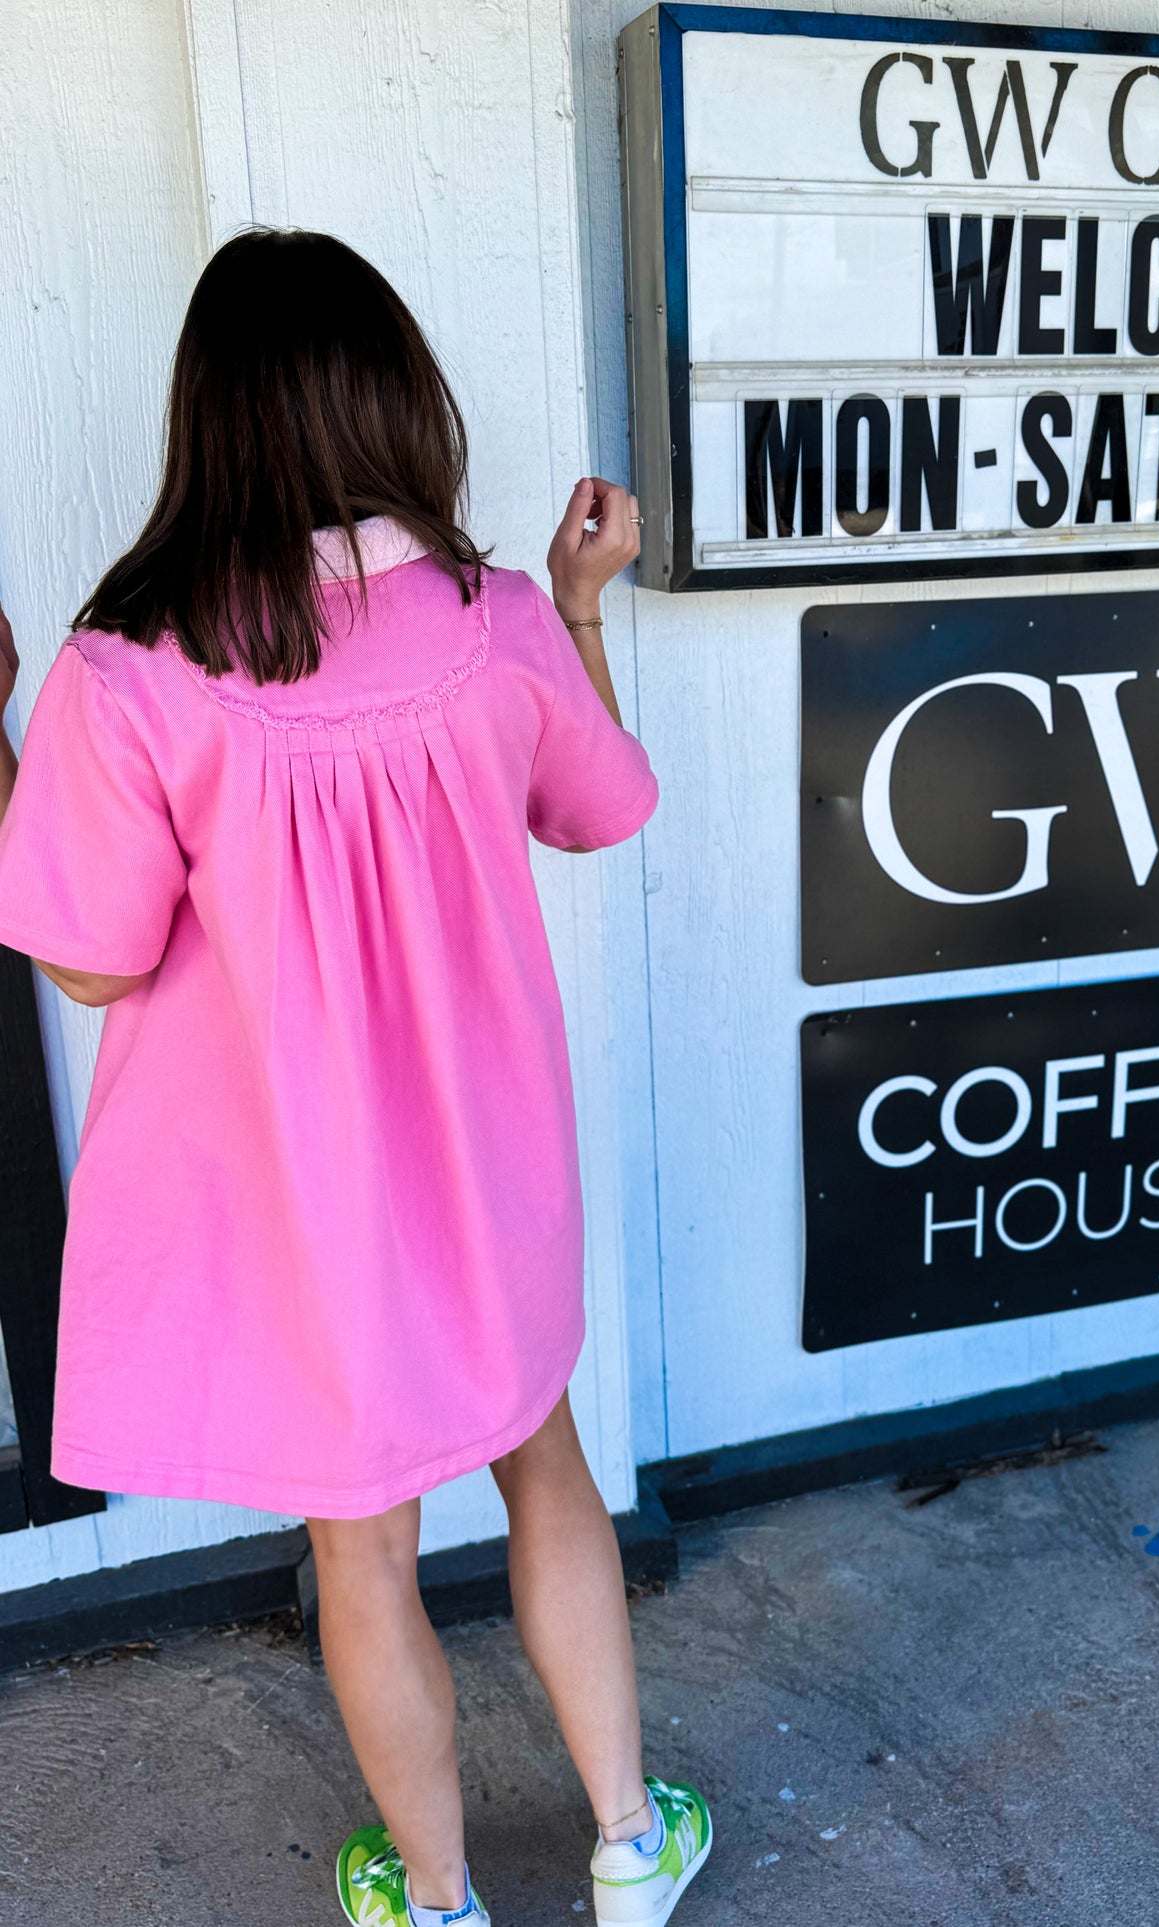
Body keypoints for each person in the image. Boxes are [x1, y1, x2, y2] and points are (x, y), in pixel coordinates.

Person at [0, 229, 710, 1927]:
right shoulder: (497, 613)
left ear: (209, 420)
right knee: (547, 1460)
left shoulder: (124, 673)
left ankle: (439, 1896)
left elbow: (90, 959)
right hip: (486, 1167)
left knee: (362, 1546)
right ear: (398, 395)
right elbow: (599, 804)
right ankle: (628, 1844)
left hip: (296, 1209)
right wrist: (585, 603)